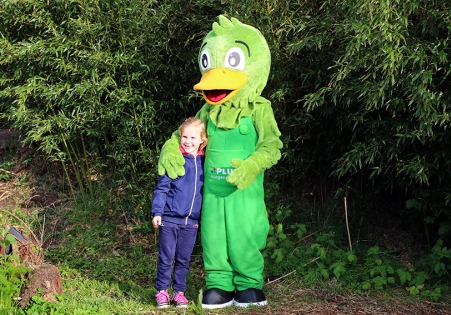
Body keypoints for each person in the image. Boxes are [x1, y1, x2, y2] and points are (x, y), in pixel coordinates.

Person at [151, 117, 207, 308]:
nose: (188, 141)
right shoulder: (175, 159)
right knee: (166, 257)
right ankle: (162, 292)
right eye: (184, 137)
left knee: (184, 259)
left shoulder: (204, 162)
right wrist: (157, 212)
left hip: (191, 222)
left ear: (202, 140)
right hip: (170, 219)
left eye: (193, 137)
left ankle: (179, 293)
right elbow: (162, 188)